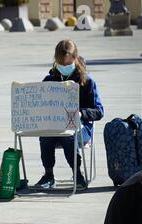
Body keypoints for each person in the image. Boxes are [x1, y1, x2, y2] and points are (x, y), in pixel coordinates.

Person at [35, 39, 104, 190]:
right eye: (61, 64)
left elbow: (99, 111)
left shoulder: (87, 81)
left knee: (68, 134)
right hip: (55, 127)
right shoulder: (49, 80)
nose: (64, 67)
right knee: (45, 135)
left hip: (81, 128)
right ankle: (48, 174)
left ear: (75, 59)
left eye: (67, 64)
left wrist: (81, 113)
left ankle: (77, 174)